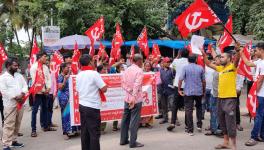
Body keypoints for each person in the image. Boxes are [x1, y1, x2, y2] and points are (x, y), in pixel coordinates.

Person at [202, 43, 241, 150]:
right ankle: (225, 142)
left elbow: (237, 60)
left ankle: (233, 145)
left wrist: (237, 51)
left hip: (230, 99)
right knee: (222, 121)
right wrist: (203, 54)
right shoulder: (220, 69)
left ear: (229, 59)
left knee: (230, 122)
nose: (220, 58)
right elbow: (209, 64)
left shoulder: (232, 67)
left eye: (222, 57)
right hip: (220, 98)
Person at [76, 54, 107, 150]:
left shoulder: (79, 74)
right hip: (92, 107)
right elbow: (104, 88)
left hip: (82, 105)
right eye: (93, 61)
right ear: (90, 62)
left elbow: (78, 89)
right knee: (94, 133)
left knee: (85, 132)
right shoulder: (94, 74)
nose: (94, 63)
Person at [0, 58, 28, 150]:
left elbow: (25, 85)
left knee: (17, 123)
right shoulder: (3, 77)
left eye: (17, 65)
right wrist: (16, 97)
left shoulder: (19, 76)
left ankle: (14, 140)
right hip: (10, 104)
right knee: (9, 124)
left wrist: (22, 94)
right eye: (15, 65)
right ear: (8, 66)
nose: (17, 67)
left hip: (20, 103)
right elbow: (3, 90)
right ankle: (6, 144)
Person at [240, 43, 264, 146]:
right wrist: (241, 53)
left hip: (260, 94)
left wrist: (254, 93)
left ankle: (254, 137)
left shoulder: (263, 63)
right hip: (260, 93)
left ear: (261, 50)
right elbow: (248, 64)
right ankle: (261, 135)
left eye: (256, 50)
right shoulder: (259, 61)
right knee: (261, 115)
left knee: (257, 115)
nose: (255, 52)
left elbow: (260, 80)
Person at [120, 54, 144, 148]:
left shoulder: (127, 70)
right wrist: (133, 97)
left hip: (127, 98)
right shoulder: (139, 70)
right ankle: (133, 142)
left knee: (125, 119)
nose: (142, 63)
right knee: (134, 120)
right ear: (139, 61)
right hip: (136, 99)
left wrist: (129, 92)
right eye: (142, 61)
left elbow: (122, 84)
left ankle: (123, 140)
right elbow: (137, 85)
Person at [178, 55, 205, 136]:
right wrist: (203, 90)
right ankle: (199, 125)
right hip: (198, 91)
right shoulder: (200, 68)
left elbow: (180, 79)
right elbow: (203, 81)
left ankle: (190, 130)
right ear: (196, 59)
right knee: (199, 107)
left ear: (188, 60)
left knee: (189, 110)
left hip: (188, 91)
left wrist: (179, 89)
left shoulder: (185, 68)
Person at [30, 52, 56, 138]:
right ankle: (33, 130)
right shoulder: (34, 67)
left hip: (46, 92)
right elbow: (34, 81)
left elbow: (48, 78)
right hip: (37, 93)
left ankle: (45, 126)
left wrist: (48, 88)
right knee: (35, 111)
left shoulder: (45, 67)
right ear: (39, 57)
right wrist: (43, 90)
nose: (46, 59)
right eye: (45, 57)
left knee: (45, 109)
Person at [57, 62, 78, 140]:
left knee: (71, 113)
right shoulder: (60, 76)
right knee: (65, 114)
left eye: (69, 68)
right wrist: (65, 79)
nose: (69, 69)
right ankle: (65, 132)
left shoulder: (68, 76)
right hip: (63, 97)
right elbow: (60, 88)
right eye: (67, 68)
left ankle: (72, 130)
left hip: (70, 96)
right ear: (63, 68)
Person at [171, 49, 189, 125]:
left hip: (177, 85)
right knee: (187, 104)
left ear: (180, 54)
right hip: (187, 85)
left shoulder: (176, 61)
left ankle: (173, 122)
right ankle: (187, 124)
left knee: (175, 104)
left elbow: (172, 67)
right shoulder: (190, 62)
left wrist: (177, 57)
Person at [140, 61, 154, 129]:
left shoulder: (152, 74)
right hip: (142, 93)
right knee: (142, 108)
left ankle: (147, 123)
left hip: (150, 93)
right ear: (144, 66)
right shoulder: (141, 73)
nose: (147, 67)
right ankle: (140, 122)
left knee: (149, 108)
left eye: (149, 66)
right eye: (146, 66)